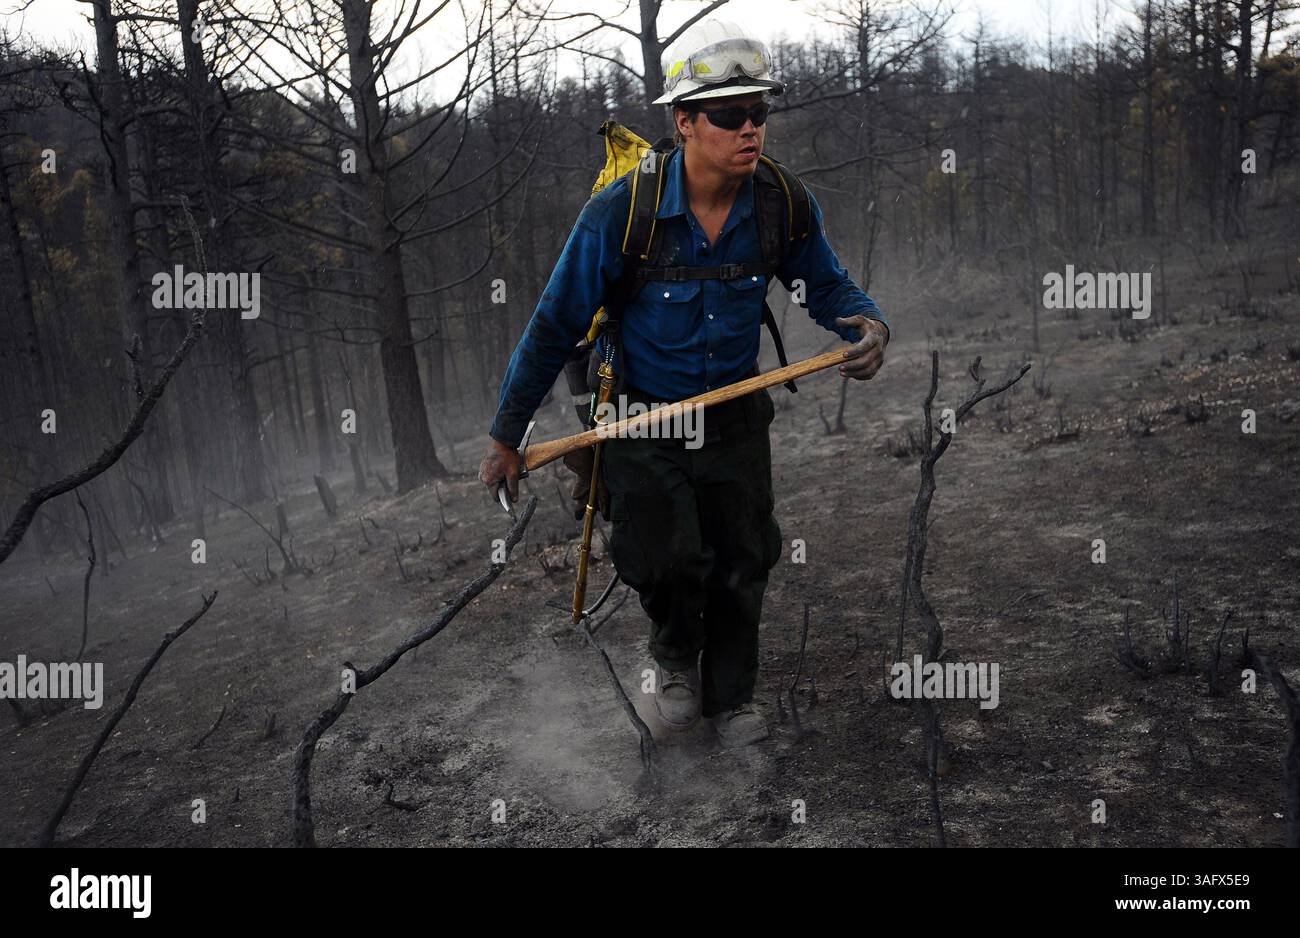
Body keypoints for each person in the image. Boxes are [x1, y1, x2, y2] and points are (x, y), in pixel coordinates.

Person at [479, 20, 890, 747]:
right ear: (685, 122)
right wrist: (506, 436)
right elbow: (553, 324)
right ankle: (674, 660)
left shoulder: (781, 204)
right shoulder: (622, 213)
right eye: (729, 114)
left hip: (735, 414)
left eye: (759, 112)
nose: (750, 128)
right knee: (665, 553)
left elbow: (823, 283)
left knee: (743, 556)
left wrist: (864, 324)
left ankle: (732, 703)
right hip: (641, 420)